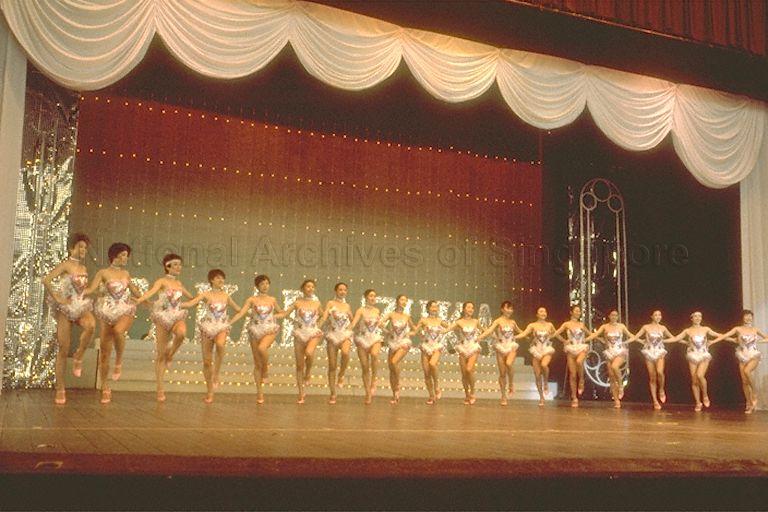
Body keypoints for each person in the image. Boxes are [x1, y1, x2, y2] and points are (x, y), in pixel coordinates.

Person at [42, 233, 96, 404]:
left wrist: (98, 291)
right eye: (80, 246)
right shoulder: (66, 265)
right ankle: (60, 387)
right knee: (63, 349)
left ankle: (79, 355)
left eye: (85, 248)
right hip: (65, 308)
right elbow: (47, 279)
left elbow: (82, 290)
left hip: (79, 306)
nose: (83, 250)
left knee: (91, 326)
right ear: (71, 248)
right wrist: (58, 298)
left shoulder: (84, 269)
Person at [181, 269, 240, 403]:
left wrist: (249, 312)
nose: (221, 281)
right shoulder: (205, 294)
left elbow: (238, 309)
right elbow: (191, 303)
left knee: (220, 345)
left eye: (222, 278)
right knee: (207, 361)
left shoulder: (226, 296)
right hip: (208, 327)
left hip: (221, 327)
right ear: (212, 280)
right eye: (218, 278)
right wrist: (174, 305)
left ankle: (217, 374)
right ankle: (209, 392)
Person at [478, 301, 521, 406]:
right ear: (502, 309)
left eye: (511, 309)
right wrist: (480, 337)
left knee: (509, 364)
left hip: (511, 346)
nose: (509, 310)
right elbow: (490, 330)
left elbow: (520, 331)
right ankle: (503, 395)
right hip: (500, 347)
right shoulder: (498, 321)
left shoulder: (513, 322)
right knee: (502, 373)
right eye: (507, 308)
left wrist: (528, 335)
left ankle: (511, 383)